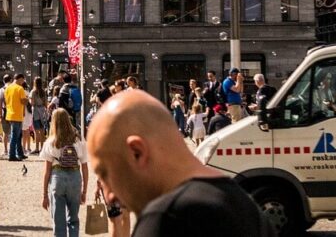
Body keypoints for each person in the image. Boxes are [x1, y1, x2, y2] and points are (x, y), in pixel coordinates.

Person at [86, 89, 271, 236]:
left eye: (106, 173)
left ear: (137, 152)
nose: (109, 196)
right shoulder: (247, 207)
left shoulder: (166, 218)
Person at [41, 108, 88, 237]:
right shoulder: (78, 139)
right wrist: (84, 191)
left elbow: (47, 171)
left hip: (58, 178)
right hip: (75, 177)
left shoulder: (51, 141)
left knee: (58, 221)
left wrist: (44, 195)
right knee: (73, 219)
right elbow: (84, 166)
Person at [5, 73, 29, 161]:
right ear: (19, 79)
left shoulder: (8, 88)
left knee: (18, 135)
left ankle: (20, 153)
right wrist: (27, 99)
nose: (23, 82)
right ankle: (12, 155)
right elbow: (23, 101)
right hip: (17, 114)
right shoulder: (20, 88)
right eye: (23, 80)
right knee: (15, 136)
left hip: (10, 114)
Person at [31, 77, 49, 154]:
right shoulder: (43, 91)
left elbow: (32, 103)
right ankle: (43, 148)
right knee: (42, 131)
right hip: (42, 112)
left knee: (36, 131)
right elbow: (46, 103)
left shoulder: (33, 92)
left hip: (35, 113)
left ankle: (37, 148)